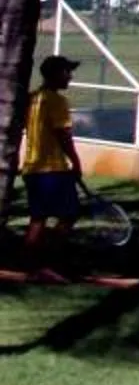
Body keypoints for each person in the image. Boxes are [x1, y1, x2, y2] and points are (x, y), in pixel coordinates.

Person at [19, 53, 83, 255]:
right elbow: (63, 135)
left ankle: (31, 263)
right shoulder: (57, 101)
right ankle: (48, 258)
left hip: (31, 169)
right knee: (70, 213)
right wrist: (76, 162)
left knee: (38, 219)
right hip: (52, 169)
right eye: (67, 72)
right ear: (56, 74)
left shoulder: (33, 98)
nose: (70, 76)